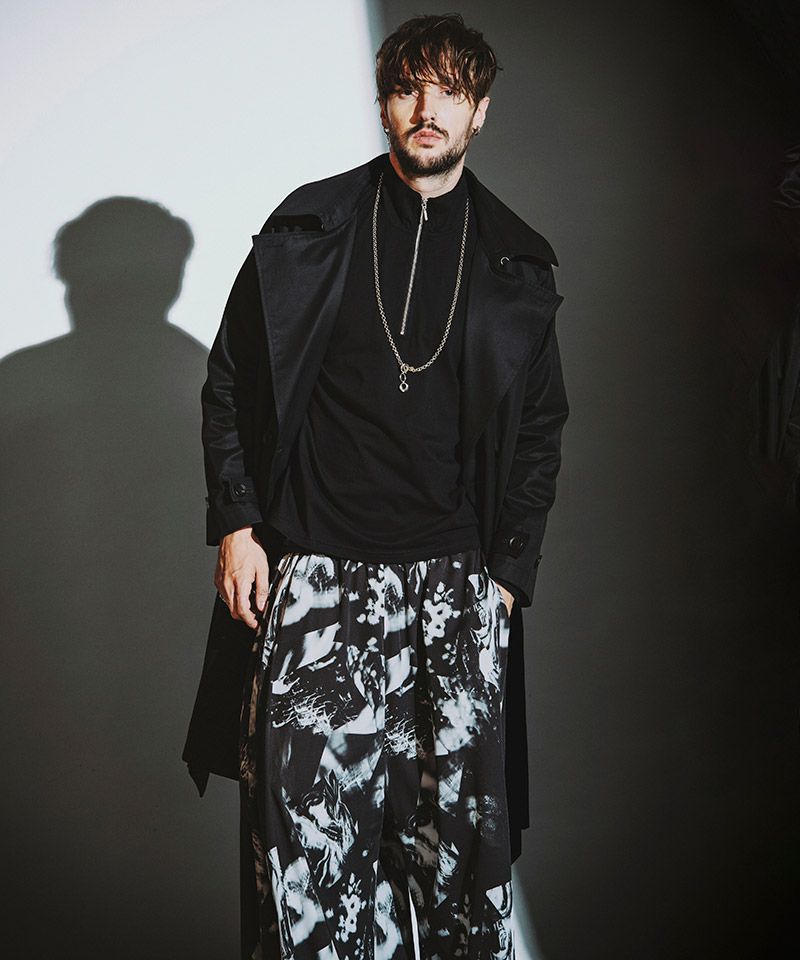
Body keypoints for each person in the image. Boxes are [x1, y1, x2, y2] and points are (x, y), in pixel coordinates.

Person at [182, 13, 569, 959]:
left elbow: (540, 430)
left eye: (450, 91)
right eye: (407, 88)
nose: (427, 108)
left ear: (479, 110)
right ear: (384, 103)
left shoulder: (513, 262)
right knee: (307, 873)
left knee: (459, 873)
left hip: (453, 590)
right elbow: (230, 381)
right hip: (317, 581)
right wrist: (237, 524)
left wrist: (507, 576)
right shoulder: (309, 231)